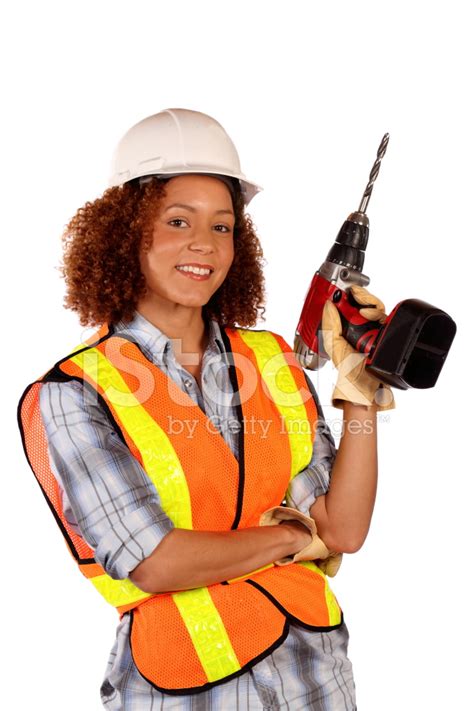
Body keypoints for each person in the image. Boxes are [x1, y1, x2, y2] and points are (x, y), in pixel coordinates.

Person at [18, 108, 394, 710]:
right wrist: (291, 536)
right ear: (125, 233)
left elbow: (343, 529)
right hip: (184, 690)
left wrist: (360, 395)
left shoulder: (270, 360)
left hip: (315, 680)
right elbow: (155, 563)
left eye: (223, 227)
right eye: (177, 221)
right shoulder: (75, 391)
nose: (203, 244)